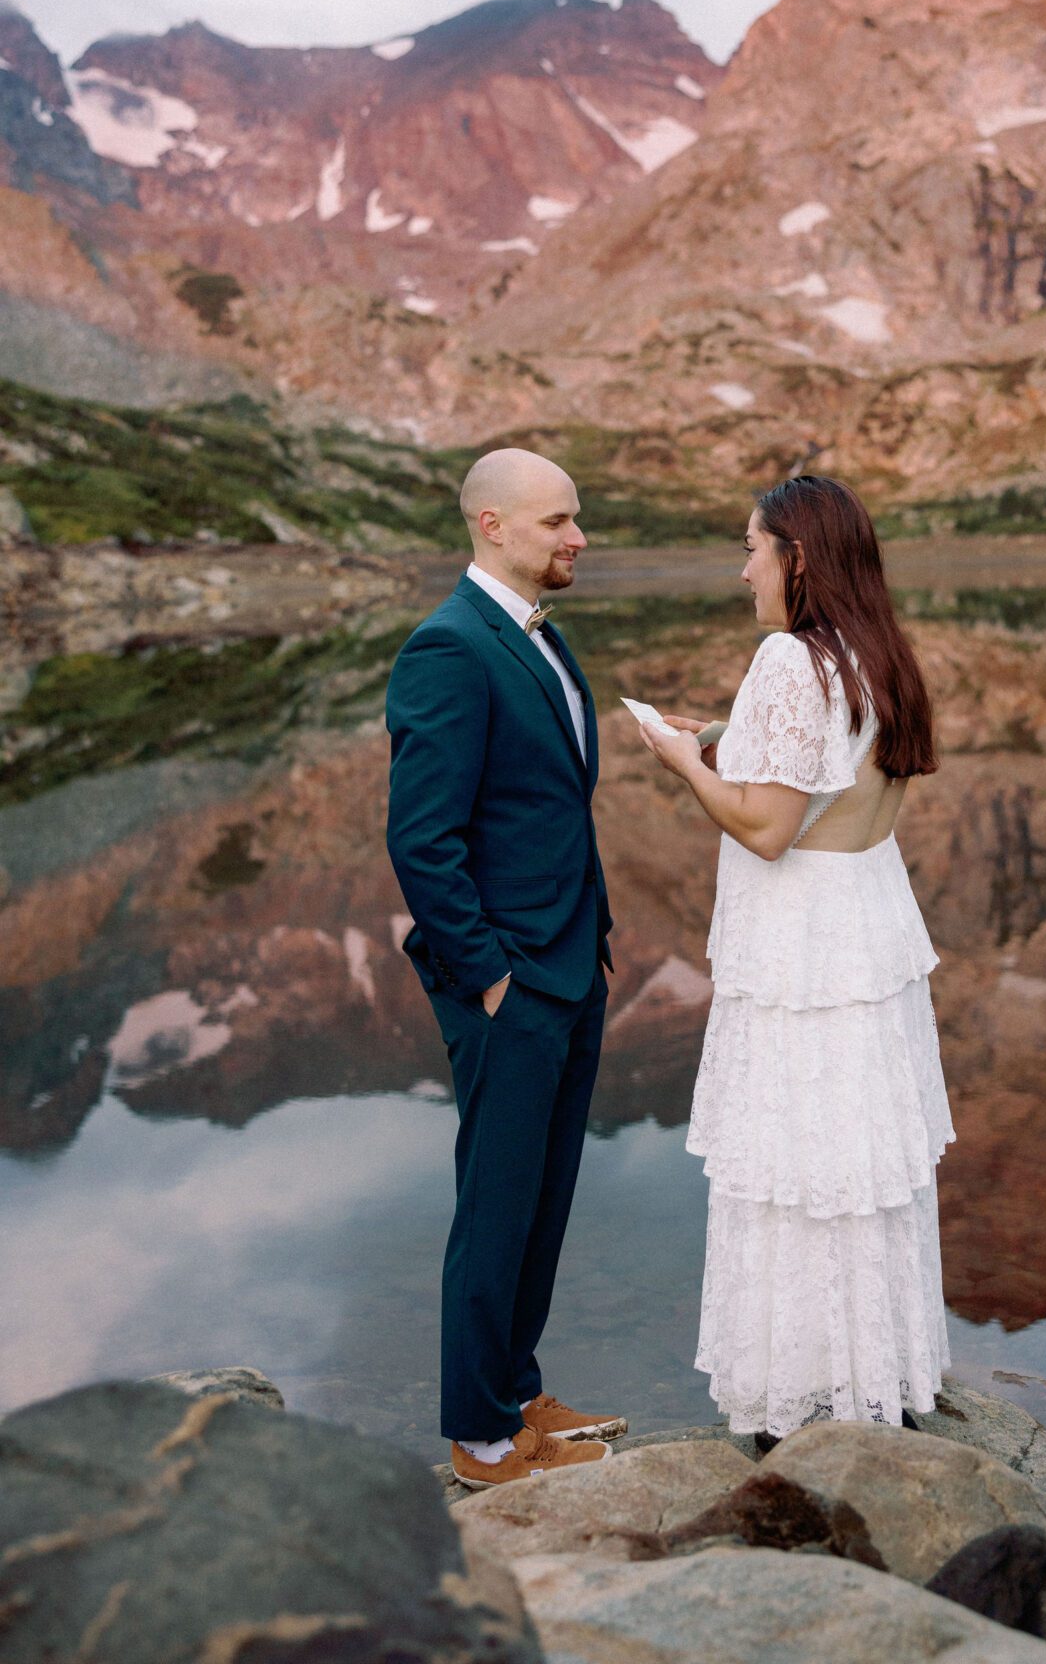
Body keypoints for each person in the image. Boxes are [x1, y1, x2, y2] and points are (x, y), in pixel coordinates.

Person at [638, 473, 953, 1440]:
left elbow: (768, 827)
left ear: (798, 557)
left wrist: (680, 757)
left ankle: (797, 1403)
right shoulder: (878, 656)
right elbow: (828, 774)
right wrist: (727, 734)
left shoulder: (788, 658)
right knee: (854, 1164)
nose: (743, 572)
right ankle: (874, 1385)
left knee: (791, 1161)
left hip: (802, 947)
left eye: (751, 549)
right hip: (865, 930)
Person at [385, 447, 625, 1487]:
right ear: (491, 524)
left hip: (569, 963)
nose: (577, 538)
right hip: (509, 981)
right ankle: (480, 1438)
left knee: (543, 1192)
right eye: (556, 521)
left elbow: (549, 803)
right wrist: (486, 973)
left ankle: (518, 1391)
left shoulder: (546, 636)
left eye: (576, 519)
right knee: (495, 1201)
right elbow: (420, 837)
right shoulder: (447, 647)